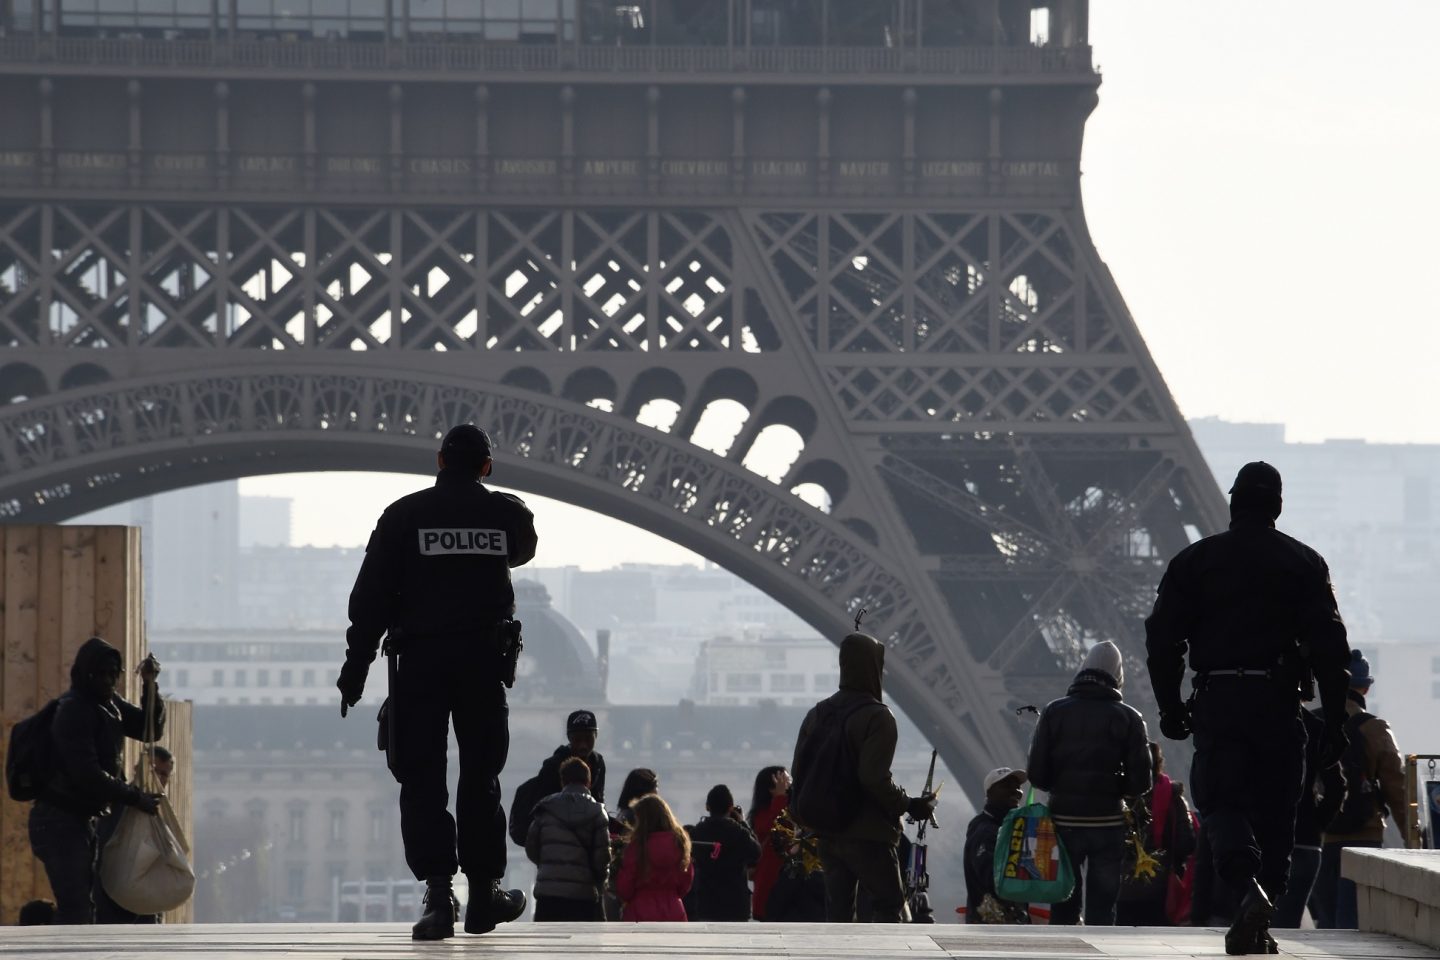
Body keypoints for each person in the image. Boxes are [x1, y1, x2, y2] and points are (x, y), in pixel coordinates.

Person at [337, 423, 538, 941]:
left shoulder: (404, 516)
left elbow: (371, 599)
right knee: (481, 776)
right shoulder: (506, 515)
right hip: (481, 662)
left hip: (420, 664)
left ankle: (438, 895)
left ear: (440, 460)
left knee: (422, 778)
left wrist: (356, 667)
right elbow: (522, 548)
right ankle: (485, 892)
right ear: (487, 467)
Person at [1146, 461, 1351, 955]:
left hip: (1219, 700)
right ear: (1277, 506)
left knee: (1220, 801)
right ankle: (1264, 909)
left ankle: (1248, 889)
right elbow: (1330, 648)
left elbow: (1163, 640)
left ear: (1234, 503)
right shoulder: (1304, 563)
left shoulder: (1195, 561)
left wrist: (1171, 706)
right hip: (1279, 704)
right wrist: (1337, 721)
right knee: (1280, 810)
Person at [791, 632, 937, 923]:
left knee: (839, 913)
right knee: (888, 905)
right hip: (868, 833)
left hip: (828, 832)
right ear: (872, 668)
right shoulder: (878, 717)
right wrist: (910, 804)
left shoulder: (817, 713)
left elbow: (798, 770)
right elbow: (873, 778)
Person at [28, 639, 165, 924]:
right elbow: (86, 773)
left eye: (112, 673)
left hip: (83, 819)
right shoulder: (74, 710)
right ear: (84, 674)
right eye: (99, 674)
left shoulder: (109, 704)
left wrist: (150, 686)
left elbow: (147, 728)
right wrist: (134, 797)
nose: (106, 680)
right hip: (58, 820)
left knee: (84, 902)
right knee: (76, 904)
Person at [1027, 640, 1151, 927]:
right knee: (1102, 910)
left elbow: (1037, 774)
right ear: (1118, 675)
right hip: (1108, 824)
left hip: (1063, 821)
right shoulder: (1130, 718)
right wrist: (1114, 788)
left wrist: (1061, 785)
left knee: (1063, 905)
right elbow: (1141, 782)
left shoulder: (1054, 712)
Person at [1312, 649, 1409, 929]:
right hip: (1365, 836)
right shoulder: (1376, 729)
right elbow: (1398, 788)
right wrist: (1411, 838)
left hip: (1321, 838)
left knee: (1326, 922)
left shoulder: (1310, 724)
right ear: (1365, 687)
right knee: (1355, 922)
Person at [1272, 709, 1343, 928]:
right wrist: (1316, 822)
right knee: (1287, 925)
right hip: (1305, 841)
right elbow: (1337, 786)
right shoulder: (1316, 728)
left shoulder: (1258, 721)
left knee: (1255, 921)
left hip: (1264, 839)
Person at [1116, 742, 1197, 926]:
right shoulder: (1173, 797)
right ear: (1159, 763)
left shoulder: (1118, 796)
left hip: (1121, 887)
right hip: (1161, 891)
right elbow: (1187, 842)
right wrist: (1175, 864)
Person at [525, 757, 609, 921]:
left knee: (548, 944)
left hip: (548, 894)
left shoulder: (546, 808)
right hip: (583, 896)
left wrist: (548, 865)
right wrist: (599, 880)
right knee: (583, 945)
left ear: (562, 781)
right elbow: (602, 857)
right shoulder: (598, 813)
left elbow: (531, 847)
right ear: (589, 782)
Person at [963, 767, 1030, 924]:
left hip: (1012, 922)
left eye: (1018, 787)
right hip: (990, 925)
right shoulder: (985, 831)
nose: (1015, 791)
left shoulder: (1010, 827)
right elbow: (992, 880)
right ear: (989, 794)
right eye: (1006, 786)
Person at [686, 785, 761, 921]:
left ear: (707, 807)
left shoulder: (696, 832)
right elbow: (756, 852)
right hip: (736, 903)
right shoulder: (739, 832)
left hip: (706, 902)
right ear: (730, 807)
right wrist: (743, 822)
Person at [615, 793, 693, 921]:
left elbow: (625, 888)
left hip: (639, 912)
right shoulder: (680, 844)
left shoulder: (637, 847)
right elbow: (686, 880)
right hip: (674, 910)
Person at [747, 765, 790, 921]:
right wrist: (780, 798)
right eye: (784, 780)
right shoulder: (763, 815)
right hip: (770, 884)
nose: (789, 784)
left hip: (790, 887)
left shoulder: (790, 807)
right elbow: (775, 826)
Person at [537, 710, 607, 805]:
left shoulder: (598, 764)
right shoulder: (552, 766)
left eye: (588, 738)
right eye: (577, 739)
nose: (583, 745)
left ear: (596, 735)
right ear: (569, 737)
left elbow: (599, 799)